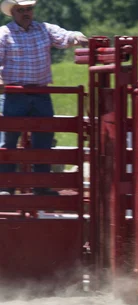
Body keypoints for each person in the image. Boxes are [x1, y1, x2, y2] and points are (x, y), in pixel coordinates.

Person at [0, 0, 88, 196]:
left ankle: (41, 187)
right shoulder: (4, 34)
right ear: (13, 13)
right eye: (21, 10)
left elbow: (64, 36)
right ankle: (6, 187)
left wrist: (76, 36)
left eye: (29, 9)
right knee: (9, 141)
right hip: (15, 94)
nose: (26, 13)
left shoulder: (44, 29)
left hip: (40, 92)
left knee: (44, 141)